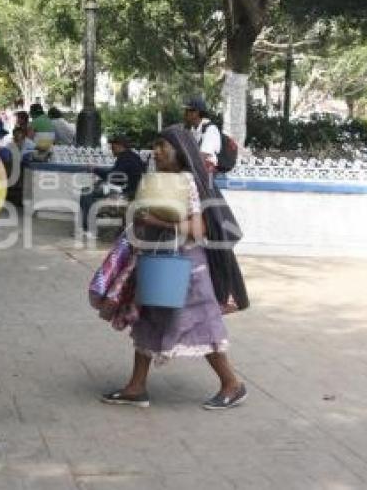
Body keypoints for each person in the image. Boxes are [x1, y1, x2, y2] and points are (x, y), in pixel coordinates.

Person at [101, 124, 246, 410]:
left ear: (179, 152)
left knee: (201, 324)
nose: (156, 152)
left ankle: (232, 384)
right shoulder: (158, 180)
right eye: (154, 146)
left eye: (162, 146)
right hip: (158, 262)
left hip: (187, 268)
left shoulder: (188, 182)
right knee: (147, 319)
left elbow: (198, 228)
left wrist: (153, 222)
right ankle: (136, 386)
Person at [79, 134, 145, 236]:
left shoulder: (126, 159)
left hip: (125, 193)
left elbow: (113, 176)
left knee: (87, 193)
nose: (111, 149)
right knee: (92, 189)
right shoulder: (131, 157)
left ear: (119, 146)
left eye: (113, 147)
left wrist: (95, 169)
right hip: (128, 190)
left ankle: (88, 229)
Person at [182, 98, 221, 165]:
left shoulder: (210, 129)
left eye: (187, 111)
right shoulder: (192, 130)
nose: (185, 114)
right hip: (198, 168)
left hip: (210, 170)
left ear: (196, 113)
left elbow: (203, 155)